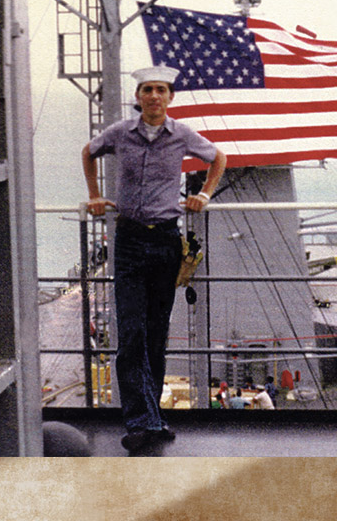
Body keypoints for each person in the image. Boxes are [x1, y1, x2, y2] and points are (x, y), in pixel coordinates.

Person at [82, 65, 227, 452]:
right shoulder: (119, 133)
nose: (153, 96)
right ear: (139, 96)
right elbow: (89, 152)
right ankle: (141, 420)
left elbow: (218, 158)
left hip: (165, 241)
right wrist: (95, 195)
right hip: (129, 239)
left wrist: (205, 195)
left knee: (155, 333)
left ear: (170, 97)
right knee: (130, 333)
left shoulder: (181, 135)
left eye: (161, 90)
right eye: (147, 89)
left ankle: (153, 418)